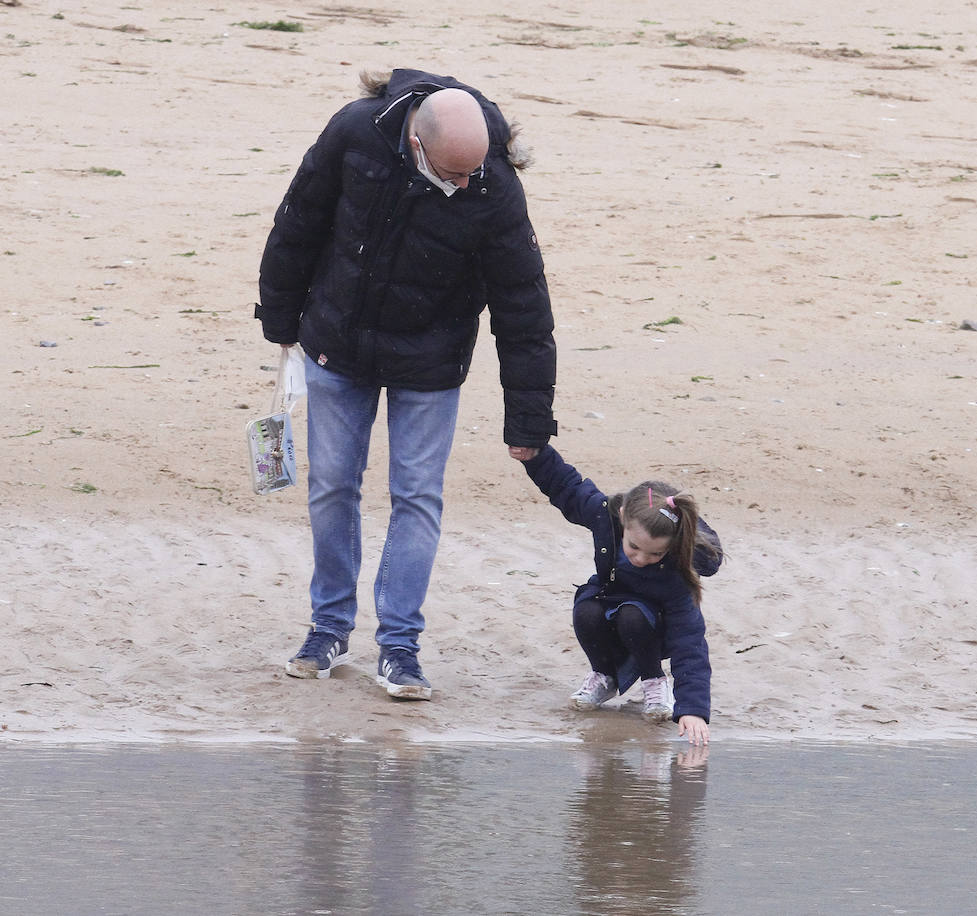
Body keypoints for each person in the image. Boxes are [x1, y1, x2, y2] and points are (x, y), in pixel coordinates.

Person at [257, 69, 558, 700]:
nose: (465, 184)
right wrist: (280, 318)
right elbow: (299, 220)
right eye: (454, 173)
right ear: (417, 145)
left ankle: (399, 645)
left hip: (431, 361)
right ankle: (329, 628)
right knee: (332, 485)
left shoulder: (494, 185)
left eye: (473, 172)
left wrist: (528, 421)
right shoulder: (354, 132)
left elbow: (523, 309)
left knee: (417, 495)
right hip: (337, 343)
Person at [510, 443, 721, 744]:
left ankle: (653, 681)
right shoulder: (605, 516)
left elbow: (690, 644)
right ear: (622, 517)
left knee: (632, 614)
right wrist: (537, 456)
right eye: (634, 547)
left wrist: (694, 710)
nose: (640, 559)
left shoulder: (675, 574)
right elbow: (567, 487)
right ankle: (604, 676)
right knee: (586, 607)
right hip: (608, 610)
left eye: (655, 553)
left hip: (650, 629)